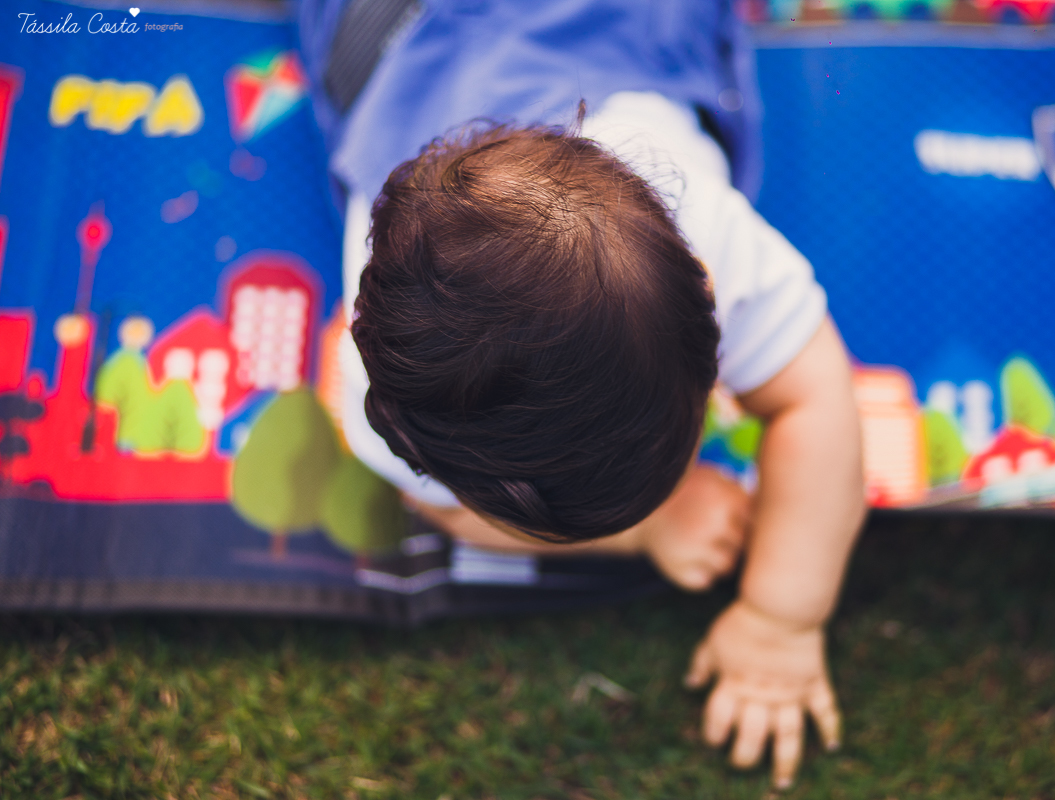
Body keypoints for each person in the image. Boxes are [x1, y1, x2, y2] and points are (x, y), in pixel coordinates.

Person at [299, 0, 865, 789]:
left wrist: (782, 617)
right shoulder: (376, 380)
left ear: (708, 298)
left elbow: (820, 401)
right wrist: (646, 532)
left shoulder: (715, 239)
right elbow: (445, 507)